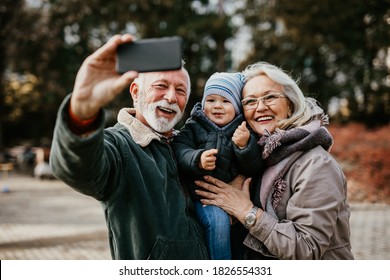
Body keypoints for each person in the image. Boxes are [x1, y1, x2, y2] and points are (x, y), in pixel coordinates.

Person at [49, 34, 209, 260]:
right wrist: (81, 114)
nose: (172, 97)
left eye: (181, 90)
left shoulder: (192, 145)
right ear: (135, 92)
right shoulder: (120, 146)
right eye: (161, 86)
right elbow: (78, 169)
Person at [194, 61, 354, 260]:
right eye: (250, 101)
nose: (260, 107)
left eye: (270, 97)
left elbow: (307, 249)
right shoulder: (258, 156)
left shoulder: (315, 164)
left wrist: (246, 211)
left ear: (290, 104)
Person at [171, 72, 263, 259]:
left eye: (226, 101)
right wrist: (197, 159)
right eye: (211, 100)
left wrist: (244, 146)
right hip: (203, 199)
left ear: (237, 107)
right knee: (218, 221)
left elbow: (254, 166)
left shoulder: (243, 130)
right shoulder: (194, 126)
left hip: (236, 197)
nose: (217, 106)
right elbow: (179, 149)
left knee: (239, 234)